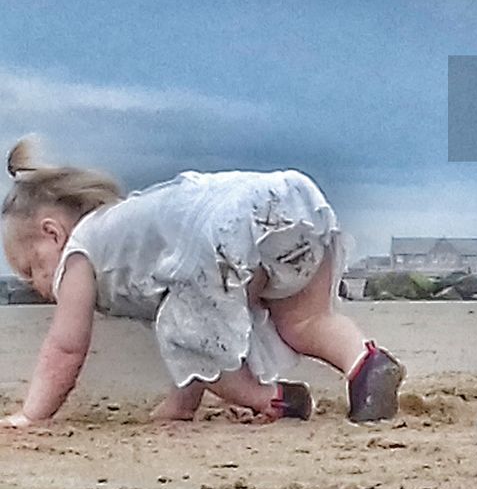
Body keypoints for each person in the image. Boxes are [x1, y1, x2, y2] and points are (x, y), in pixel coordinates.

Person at [0, 139, 403, 426]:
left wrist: (32, 414)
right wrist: (181, 405)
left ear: (52, 233)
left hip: (223, 227)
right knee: (305, 322)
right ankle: (366, 366)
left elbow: (66, 347)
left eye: (30, 268)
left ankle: (275, 399)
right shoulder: (129, 229)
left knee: (186, 330)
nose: (34, 283)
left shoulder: (80, 252)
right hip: (287, 203)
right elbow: (188, 325)